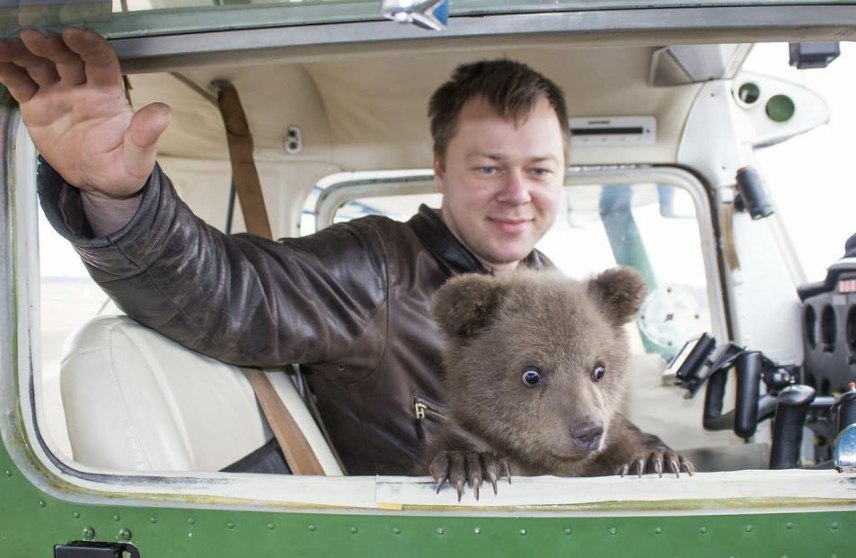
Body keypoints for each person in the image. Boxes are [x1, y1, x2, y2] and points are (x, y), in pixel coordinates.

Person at [0, 28, 571, 475]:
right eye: (489, 167)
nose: (517, 194)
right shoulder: (376, 270)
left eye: (539, 170)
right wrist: (117, 197)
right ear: (442, 171)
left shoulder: (555, 288)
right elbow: (224, 292)